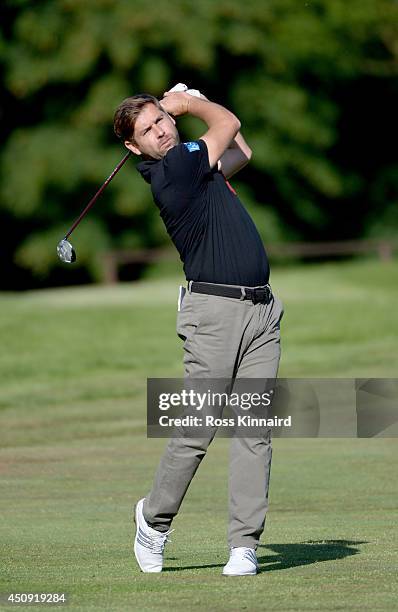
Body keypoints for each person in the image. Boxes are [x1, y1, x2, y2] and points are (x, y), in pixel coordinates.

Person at [113, 88, 284, 576]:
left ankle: (244, 544)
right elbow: (227, 123)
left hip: (262, 313)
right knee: (197, 430)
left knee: (255, 431)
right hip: (214, 316)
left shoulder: (196, 164)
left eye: (161, 120)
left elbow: (241, 151)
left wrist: (194, 100)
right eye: (147, 129)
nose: (161, 130)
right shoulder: (175, 169)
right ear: (134, 148)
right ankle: (153, 520)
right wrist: (190, 103)